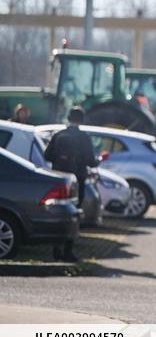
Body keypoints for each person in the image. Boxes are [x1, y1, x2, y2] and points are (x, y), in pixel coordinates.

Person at [43, 106, 96, 262]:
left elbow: (47, 155)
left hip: (59, 179)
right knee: (74, 214)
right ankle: (68, 251)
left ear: (68, 118)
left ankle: (55, 249)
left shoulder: (58, 135)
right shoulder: (84, 138)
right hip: (76, 181)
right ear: (81, 120)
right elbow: (90, 160)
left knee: (58, 213)